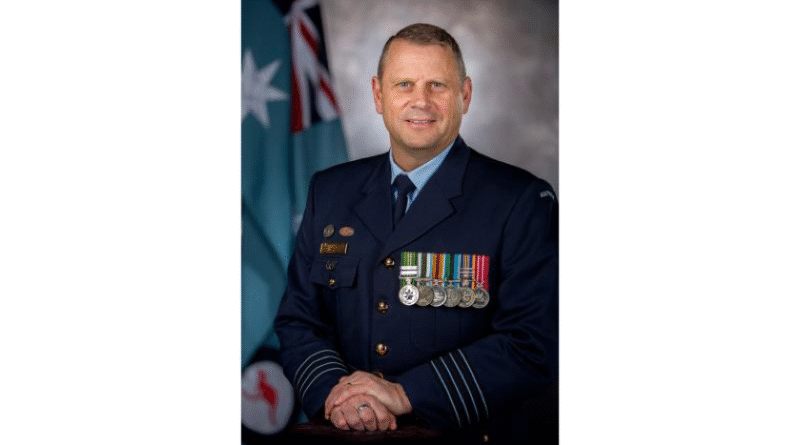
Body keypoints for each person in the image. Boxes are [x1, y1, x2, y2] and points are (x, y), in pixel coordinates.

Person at [274, 23, 558, 443]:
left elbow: (532, 343)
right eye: (404, 83)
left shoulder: (521, 201)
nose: (419, 101)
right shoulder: (330, 191)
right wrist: (339, 395)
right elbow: (300, 320)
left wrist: (405, 394)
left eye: (437, 85)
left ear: (464, 95)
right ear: (377, 94)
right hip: (343, 433)